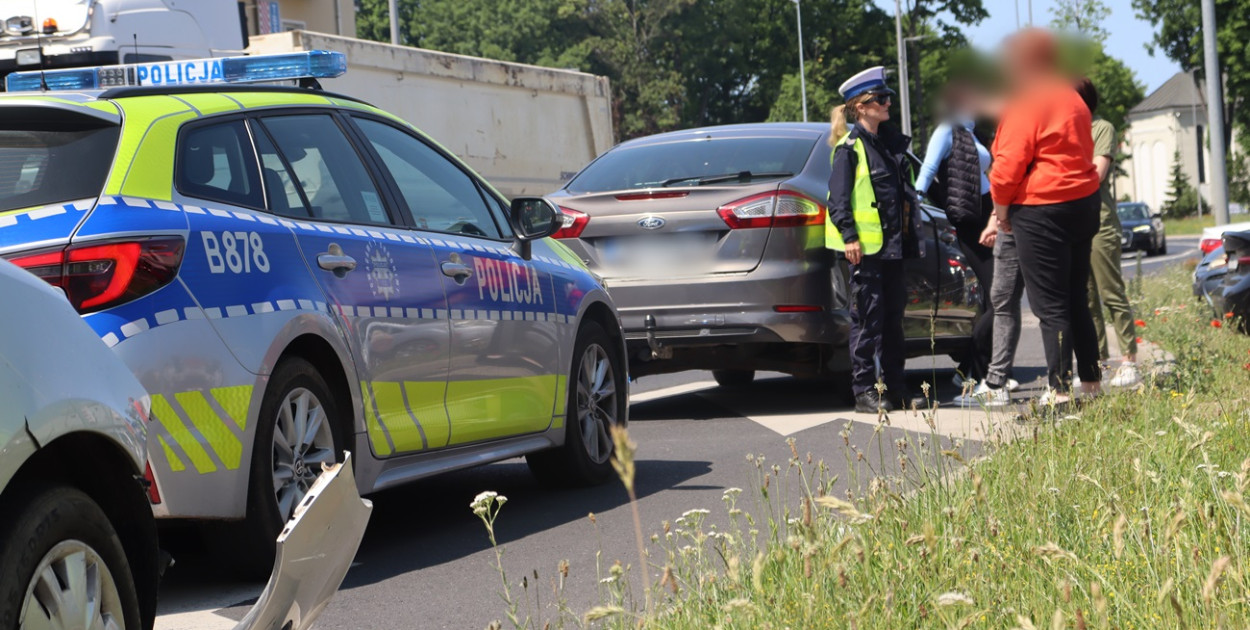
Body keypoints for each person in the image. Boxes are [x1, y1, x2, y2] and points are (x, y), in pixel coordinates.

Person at [988, 29, 1103, 403]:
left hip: (1042, 208)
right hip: (1082, 202)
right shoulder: (1072, 97)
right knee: (1075, 297)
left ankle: (1059, 391)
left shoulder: (1026, 100)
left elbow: (1007, 167)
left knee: (1050, 306)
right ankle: (1091, 382)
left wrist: (1001, 212)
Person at [826, 66, 922, 413]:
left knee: (893, 322)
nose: (888, 103)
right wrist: (850, 237)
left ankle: (897, 389)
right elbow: (837, 201)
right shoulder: (849, 148)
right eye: (881, 98)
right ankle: (864, 391)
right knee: (867, 320)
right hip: (864, 252)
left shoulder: (891, 145)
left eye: (888, 97)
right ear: (861, 106)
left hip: (893, 249)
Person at [915, 82, 994, 387]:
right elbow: (927, 170)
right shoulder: (947, 129)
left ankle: (975, 368)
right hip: (972, 222)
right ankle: (974, 370)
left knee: (995, 298)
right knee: (999, 298)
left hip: (988, 215)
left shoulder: (971, 131)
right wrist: (914, 205)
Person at [1075, 77, 1140, 388]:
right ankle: (1096, 365)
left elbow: (1097, 173)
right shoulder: (1064, 130)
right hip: (1074, 225)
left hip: (1100, 222)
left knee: (1111, 292)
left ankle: (1129, 362)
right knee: (1086, 299)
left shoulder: (1101, 128)